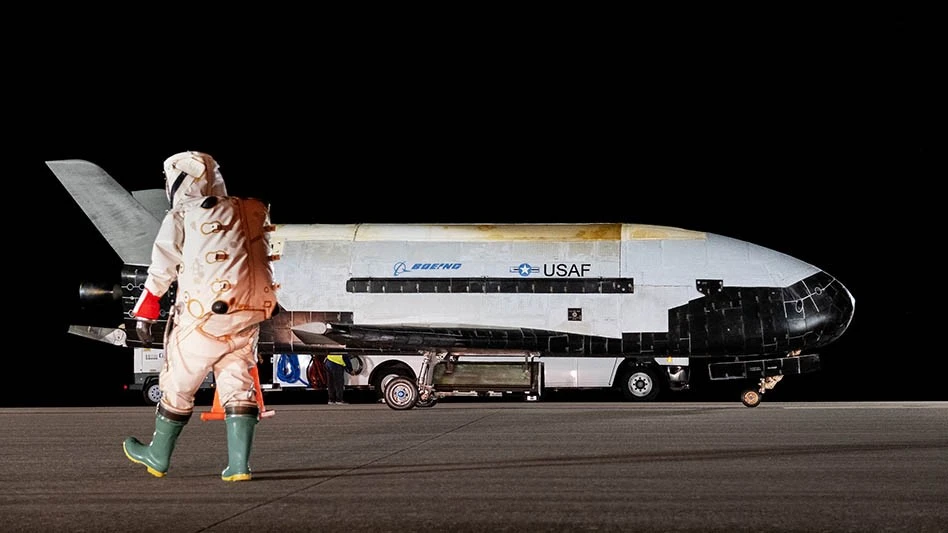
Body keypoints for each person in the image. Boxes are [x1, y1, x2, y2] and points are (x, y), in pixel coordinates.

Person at [123, 151, 278, 482]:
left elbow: (163, 265)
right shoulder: (246, 211)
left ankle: (157, 455)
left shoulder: (183, 212)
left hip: (202, 317)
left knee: (178, 384)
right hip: (247, 316)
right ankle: (239, 466)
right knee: (237, 383)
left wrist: (146, 308)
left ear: (179, 180)